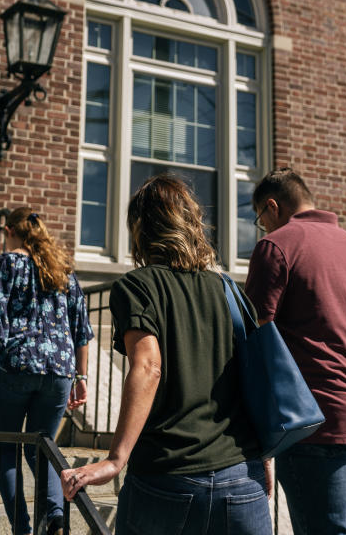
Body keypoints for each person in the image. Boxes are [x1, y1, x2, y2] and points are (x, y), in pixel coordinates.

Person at [59, 174, 272, 535]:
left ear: (141, 228)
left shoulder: (137, 286)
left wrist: (115, 459)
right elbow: (254, 376)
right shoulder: (230, 291)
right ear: (191, 223)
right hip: (241, 476)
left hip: (168, 479)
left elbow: (148, 366)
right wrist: (264, 455)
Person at [244, 168, 346, 535]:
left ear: (272, 207)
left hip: (316, 421)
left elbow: (252, 335)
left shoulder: (278, 245)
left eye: (259, 218)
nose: (262, 227)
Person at [0, 207, 93, 535]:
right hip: (60, 372)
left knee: (6, 449)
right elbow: (81, 330)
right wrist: (82, 378)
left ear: (10, 231)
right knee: (43, 445)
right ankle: (54, 515)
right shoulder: (62, 269)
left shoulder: (7, 262)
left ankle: (23, 531)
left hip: (18, 366)